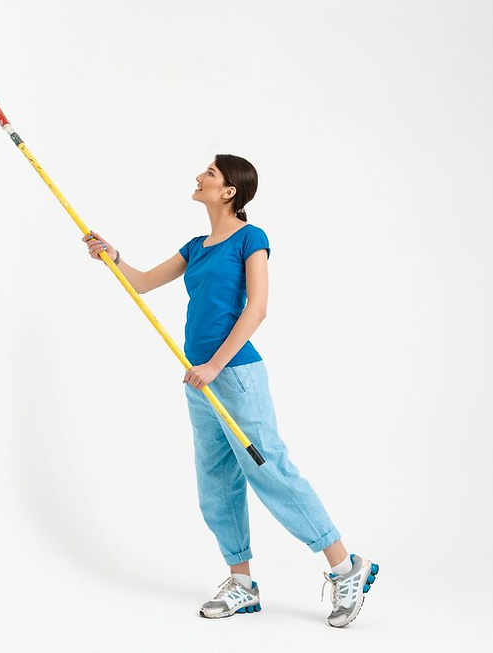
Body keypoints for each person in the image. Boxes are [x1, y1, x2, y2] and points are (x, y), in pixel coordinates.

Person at [81, 154, 379, 628]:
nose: (199, 177)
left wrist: (215, 365)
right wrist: (112, 256)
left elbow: (257, 309)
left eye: (211, 174)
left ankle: (348, 568)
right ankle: (242, 583)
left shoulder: (250, 238)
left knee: (272, 472)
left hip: (234, 373)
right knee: (216, 482)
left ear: (229, 192)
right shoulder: (196, 246)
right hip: (198, 379)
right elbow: (141, 284)